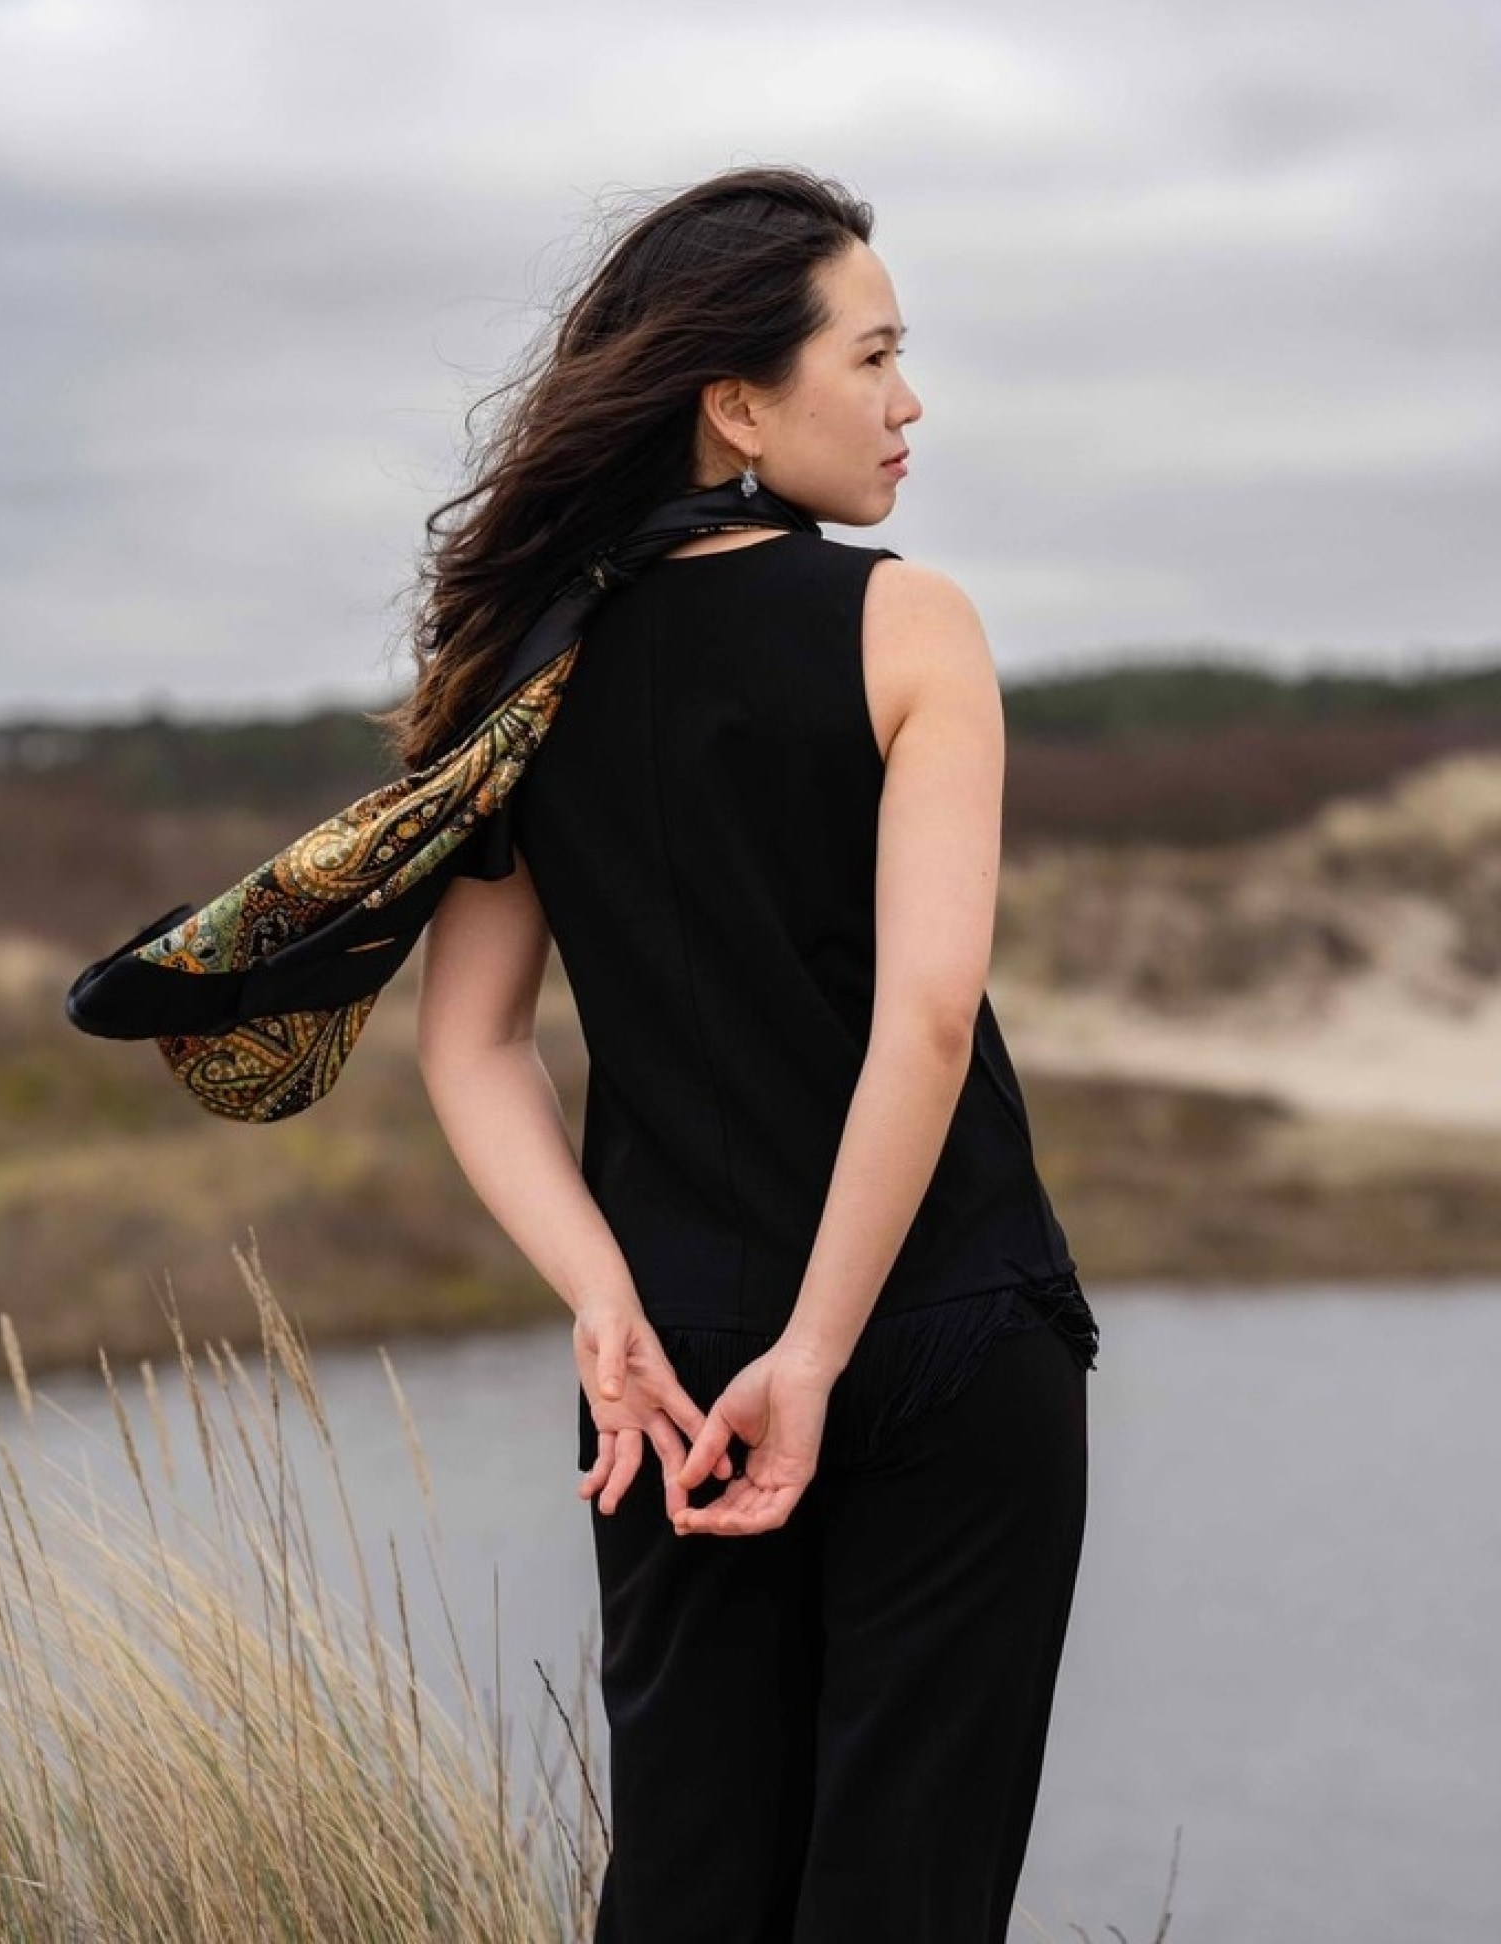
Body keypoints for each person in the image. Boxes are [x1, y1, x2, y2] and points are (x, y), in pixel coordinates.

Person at [406, 166, 1097, 1944]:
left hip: (670, 1374)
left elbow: (471, 1044)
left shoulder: (531, 666)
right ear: (736, 402)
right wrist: (824, 1351)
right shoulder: (907, 619)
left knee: (688, 1887)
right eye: (871, 357)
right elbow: (924, 1021)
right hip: (941, 1326)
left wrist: (603, 1301)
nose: (908, 401)